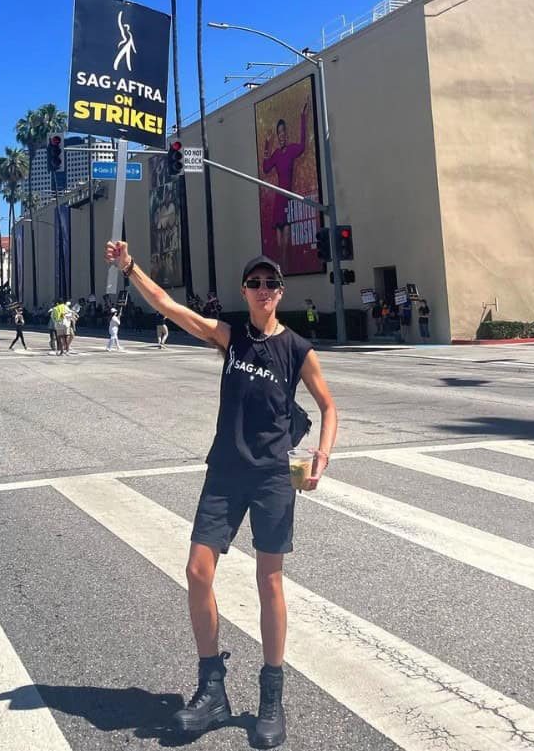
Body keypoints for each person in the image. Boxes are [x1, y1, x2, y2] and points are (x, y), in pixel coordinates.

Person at [104, 241, 337, 748]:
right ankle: (212, 689)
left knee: (269, 581)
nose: (262, 290)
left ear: (280, 291)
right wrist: (129, 267)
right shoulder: (230, 338)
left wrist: (323, 452)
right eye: (254, 283)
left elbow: (327, 405)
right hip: (225, 472)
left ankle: (271, 695)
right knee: (197, 571)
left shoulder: (298, 349)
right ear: (244, 291)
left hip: (273, 476)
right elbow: (170, 307)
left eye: (270, 283)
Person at [262, 101, 309, 266]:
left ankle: (285, 269)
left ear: (286, 133)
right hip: (279, 199)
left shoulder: (291, 150)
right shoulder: (276, 154)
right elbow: (266, 168)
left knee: (285, 244)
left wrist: (302, 117)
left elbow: (302, 146)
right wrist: (267, 143)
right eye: (279, 132)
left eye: (283, 131)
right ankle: (280, 270)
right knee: (279, 245)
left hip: (288, 198)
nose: (281, 135)